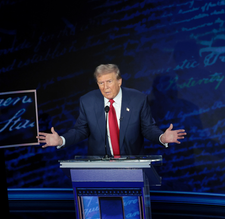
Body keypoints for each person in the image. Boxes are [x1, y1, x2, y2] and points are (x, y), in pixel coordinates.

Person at [37, 64, 186, 156]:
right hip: (99, 167)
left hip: (131, 165)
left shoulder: (138, 99)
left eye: (109, 81)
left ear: (119, 81)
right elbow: (81, 130)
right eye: (101, 83)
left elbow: (147, 128)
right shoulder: (87, 101)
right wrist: (61, 140)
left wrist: (162, 137)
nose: (105, 87)